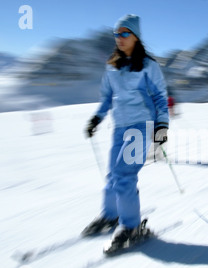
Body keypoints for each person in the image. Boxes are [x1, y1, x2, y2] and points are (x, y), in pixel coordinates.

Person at [82, 14, 169, 247]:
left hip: (141, 126)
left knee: (124, 176)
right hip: (119, 127)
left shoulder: (149, 66)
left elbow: (160, 97)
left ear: (135, 36)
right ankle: (110, 216)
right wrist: (96, 118)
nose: (119, 38)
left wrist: (162, 125)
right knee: (112, 175)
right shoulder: (112, 66)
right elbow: (107, 97)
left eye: (124, 33)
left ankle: (131, 227)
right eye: (116, 34)